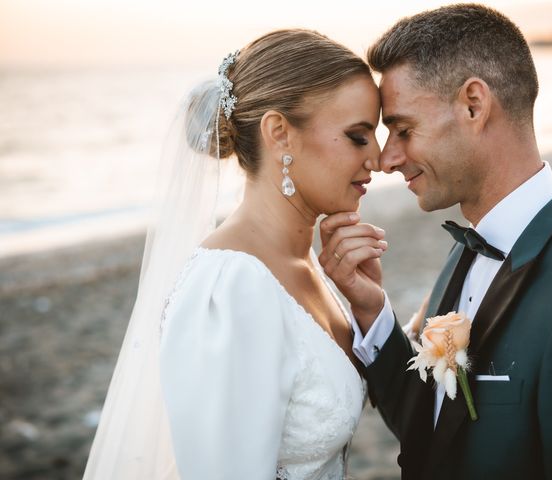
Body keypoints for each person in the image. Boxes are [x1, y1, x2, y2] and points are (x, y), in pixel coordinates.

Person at [319, 4, 552, 479]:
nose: (387, 159)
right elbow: (432, 426)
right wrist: (371, 310)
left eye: (404, 130)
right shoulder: (470, 243)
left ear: (474, 104)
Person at [84, 29, 383, 480]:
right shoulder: (229, 289)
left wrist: (371, 307)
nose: (378, 159)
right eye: (358, 137)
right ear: (279, 133)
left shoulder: (310, 266)